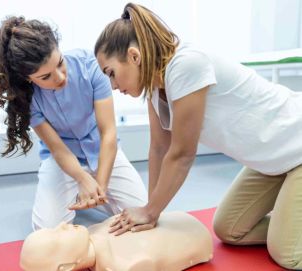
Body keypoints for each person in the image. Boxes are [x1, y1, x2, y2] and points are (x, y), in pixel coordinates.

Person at [93, 2, 302, 270]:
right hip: (273, 161)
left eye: (111, 73)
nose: (112, 85)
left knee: (286, 252)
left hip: (296, 144)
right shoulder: (155, 88)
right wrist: (151, 211)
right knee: (230, 229)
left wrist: (150, 211)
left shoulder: (185, 64)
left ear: (134, 56)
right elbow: (158, 149)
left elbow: (182, 154)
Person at [0, 16, 147, 231]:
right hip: (63, 159)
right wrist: (81, 177)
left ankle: (92, 197)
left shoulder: (91, 66)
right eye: (46, 76)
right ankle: (79, 193)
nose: (60, 77)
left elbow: (108, 133)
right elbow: (58, 149)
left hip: (102, 151)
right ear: (28, 79)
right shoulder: (26, 97)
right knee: (47, 231)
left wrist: (100, 186)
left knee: (142, 212)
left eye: (60, 63)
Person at [19, 211, 213, 271]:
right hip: (192, 233)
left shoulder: (94, 231)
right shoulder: (124, 265)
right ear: (66, 266)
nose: (62, 224)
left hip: (190, 230)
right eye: (57, 235)